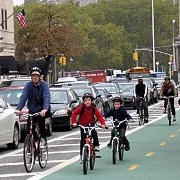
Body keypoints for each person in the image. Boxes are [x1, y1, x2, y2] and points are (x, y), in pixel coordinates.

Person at [14, 67, 51, 145]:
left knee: (41, 121)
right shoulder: (28, 85)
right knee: (29, 129)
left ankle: (43, 139)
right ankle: (31, 144)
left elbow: (46, 97)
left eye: (37, 76)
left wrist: (45, 109)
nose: (35, 77)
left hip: (42, 110)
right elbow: (24, 96)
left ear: (39, 77)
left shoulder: (44, 85)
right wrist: (18, 109)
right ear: (31, 77)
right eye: (33, 76)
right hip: (32, 110)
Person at [71, 93, 106, 162]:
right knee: (83, 140)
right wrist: (74, 122)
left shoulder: (93, 108)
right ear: (84, 101)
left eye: (89, 100)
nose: (87, 101)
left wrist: (103, 124)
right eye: (86, 100)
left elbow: (99, 116)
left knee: (94, 133)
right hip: (83, 125)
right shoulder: (82, 107)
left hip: (91, 124)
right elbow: (74, 113)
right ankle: (81, 155)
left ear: (91, 101)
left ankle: (96, 145)